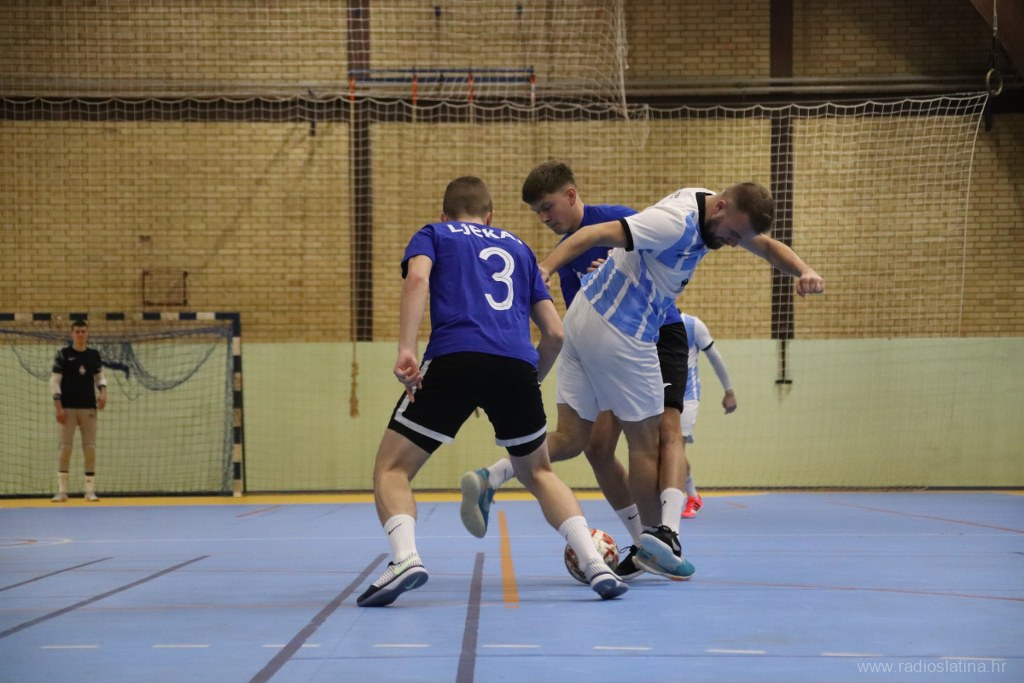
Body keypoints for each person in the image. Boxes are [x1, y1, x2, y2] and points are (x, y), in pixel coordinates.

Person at [530, 182, 824, 580]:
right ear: (720, 207)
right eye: (733, 234)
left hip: (620, 325)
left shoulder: (713, 211)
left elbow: (768, 247)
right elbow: (594, 234)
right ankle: (654, 539)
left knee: (626, 436)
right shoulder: (673, 222)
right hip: (626, 330)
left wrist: (804, 270)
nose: (734, 243)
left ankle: (658, 535)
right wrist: (545, 268)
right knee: (630, 444)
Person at [356, 176, 627, 607]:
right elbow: (554, 333)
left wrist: (406, 348)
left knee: (391, 469)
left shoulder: (434, 234)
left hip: (455, 355)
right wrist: (527, 382)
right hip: (515, 364)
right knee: (539, 473)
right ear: (490, 216)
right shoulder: (520, 248)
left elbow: (417, 281)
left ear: (444, 215)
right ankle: (594, 562)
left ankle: (405, 558)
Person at [460, 161, 693, 581]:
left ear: (571, 195)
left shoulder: (620, 219)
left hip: (657, 334)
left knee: (662, 433)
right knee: (591, 445)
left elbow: (661, 262)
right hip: (609, 345)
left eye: (547, 207)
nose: (544, 218)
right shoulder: (567, 256)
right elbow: (575, 319)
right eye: (537, 213)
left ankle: (665, 535)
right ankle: (641, 542)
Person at [676, 312, 737, 519]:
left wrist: (729, 391)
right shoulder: (648, 320)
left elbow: (715, 358)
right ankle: (690, 495)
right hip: (659, 396)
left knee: (675, 447)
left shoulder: (693, 325)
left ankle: (687, 498)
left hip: (687, 396)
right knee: (662, 449)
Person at [50, 319, 108, 502]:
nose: (81, 334)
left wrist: (103, 392)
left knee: (90, 449)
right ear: (72, 334)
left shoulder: (93, 355)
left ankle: (90, 491)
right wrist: (58, 406)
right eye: (77, 331)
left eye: (83, 331)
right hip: (67, 408)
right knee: (65, 449)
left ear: (87, 333)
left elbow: (100, 377)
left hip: (88, 408)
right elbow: (54, 381)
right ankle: (62, 492)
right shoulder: (63, 354)